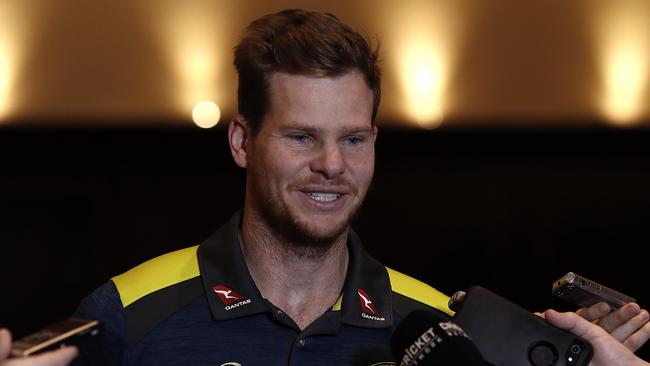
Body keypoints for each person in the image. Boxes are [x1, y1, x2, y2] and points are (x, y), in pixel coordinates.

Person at [2, 8, 649, 366]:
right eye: (302, 137)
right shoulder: (127, 315)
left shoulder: (438, 328)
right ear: (241, 141)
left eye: (353, 139)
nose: (332, 165)